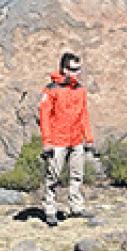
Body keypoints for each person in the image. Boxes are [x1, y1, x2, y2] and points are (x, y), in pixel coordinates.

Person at [37, 50, 93, 223]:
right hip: (57, 141)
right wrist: (46, 141)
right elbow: (44, 117)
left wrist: (88, 138)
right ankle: (50, 209)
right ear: (63, 69)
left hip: (76, 140)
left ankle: (76, 207)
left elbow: (84, 114)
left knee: (77, 175)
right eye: (73, 69)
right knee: (53, 176)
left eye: (79, 69)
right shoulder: (51, 90)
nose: (76, 73)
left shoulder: (80, 90)